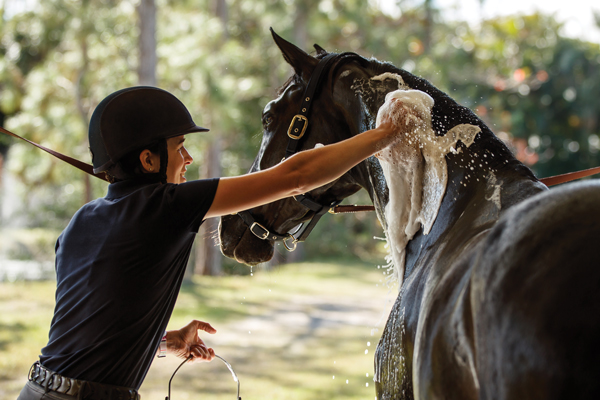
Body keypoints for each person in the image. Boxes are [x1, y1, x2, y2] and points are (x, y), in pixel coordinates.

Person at [18, 86, 397, 400]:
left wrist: (166, 343)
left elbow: (88, 334)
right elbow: (296, 176)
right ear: (148, 160)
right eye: (179, 147)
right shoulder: (165, 206)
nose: (188, 158)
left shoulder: (79, 221)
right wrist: (386, 133)